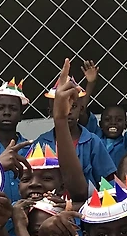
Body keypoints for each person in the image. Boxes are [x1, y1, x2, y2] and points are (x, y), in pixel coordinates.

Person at [35, 65, 117, 194]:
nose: (67, 111)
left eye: (73, 106)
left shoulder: (93, 142)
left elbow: (108, 182)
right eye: (61, 106)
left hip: (86, 205)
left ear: (81, 109)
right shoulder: (41, 143)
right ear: (50, 111)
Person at [0, 79, 32, 202]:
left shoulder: (33, 150)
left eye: (13, 108)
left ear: (21, 115)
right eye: (1, 108)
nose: (7, 113)